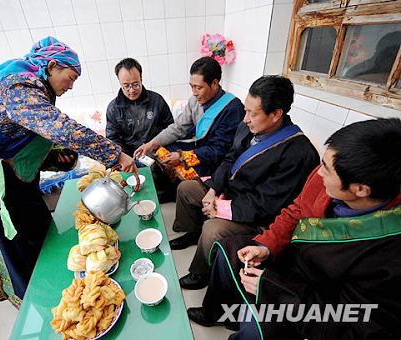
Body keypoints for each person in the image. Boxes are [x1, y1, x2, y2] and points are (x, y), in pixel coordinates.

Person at [0, 37, 137, 307]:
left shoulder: (35, 88)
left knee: (40, 227)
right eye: (70, 78)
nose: (70, 86)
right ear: (52, 66)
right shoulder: (17, 86)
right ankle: (36, 304)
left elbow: (31, 135)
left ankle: (58, 285)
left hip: (18, 177)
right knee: (17, 243)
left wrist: (63, 155)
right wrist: (116, 154)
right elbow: (62, 128)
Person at [188, 118, 401, 340]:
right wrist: (266, 246)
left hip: (314, 295)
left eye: (327, 170)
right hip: (291, 258)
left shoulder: (388, 256)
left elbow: (352, 323)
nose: (318, 173)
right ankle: (220, 313)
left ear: (360, 189)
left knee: (256, 329)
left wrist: (273, 289)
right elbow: (297, 209)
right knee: (229, 250)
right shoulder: (327, 178)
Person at [171, 75, 319, 290]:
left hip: (254, 214)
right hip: (231, 193)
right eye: (246, 111)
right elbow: (230, 158)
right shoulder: (248, 127)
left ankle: (200, 272)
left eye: (253, 113)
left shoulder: (297, 153)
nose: (245, 119)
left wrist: (221, 209)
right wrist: (214, 189)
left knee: (214, 228)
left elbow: (267, 204)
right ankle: (193, 232)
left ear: (276, 114)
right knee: (187, 188)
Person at [134, 57, 245, 200]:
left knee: (172, 164)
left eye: (199, 87)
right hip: (197, 147)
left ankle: (171, 193)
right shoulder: (195, 100)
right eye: (191, 86)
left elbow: (219, 151)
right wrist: (151, 144)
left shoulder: (232, 109)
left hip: (212, 160)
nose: (194, 92)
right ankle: (162, 191)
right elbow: (178, 127)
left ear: (215, 83)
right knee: (155, 153)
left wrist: (182, 157)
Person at [106, 58, 174, 157]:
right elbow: (112, 138)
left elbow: (170, 129)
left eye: (135, 84)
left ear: (141, 79)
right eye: (126, 86)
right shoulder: (113, 108)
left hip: (157, 152)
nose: (132, 90)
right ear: (120, 83)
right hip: (129, 158)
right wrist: (126, 157)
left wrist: (156, 147)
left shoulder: (157, 100)